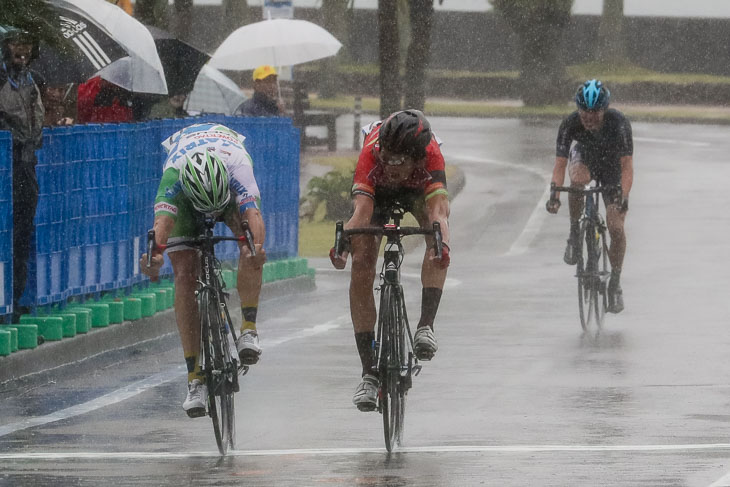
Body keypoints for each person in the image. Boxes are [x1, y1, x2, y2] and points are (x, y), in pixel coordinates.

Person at [140, 123, 267, 418]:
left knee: (251, 249)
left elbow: (253, 214)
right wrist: (154, 258)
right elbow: (161, 227)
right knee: (184, 274)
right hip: (187, 203)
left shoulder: (238, 166)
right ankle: (194, 378)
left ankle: (249, 329)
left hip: (225, 192)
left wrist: (254, 249)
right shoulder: (173, 178)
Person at [329, 109, 451, 412]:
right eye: (387, 157)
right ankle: (369, 373)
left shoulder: (431, 155)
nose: (390, 164)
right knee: (362, 262)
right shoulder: (373, 152)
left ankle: (425, 325)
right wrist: (345, 242)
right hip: (378, 195)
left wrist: (442, 246)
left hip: (416, 191)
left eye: (398, 160)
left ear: (417, 157)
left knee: (435, 238)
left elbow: (439, 211)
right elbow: (362, 213)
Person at [546, 79, 633, 313]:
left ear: (604, 110)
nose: (588, 117)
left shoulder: (619, 123)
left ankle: (614, 283)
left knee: (616, 228)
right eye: (584, 111)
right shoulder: (569, 124)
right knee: (577, 182)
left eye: (594, 112)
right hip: (585, 158)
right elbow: (560, 165)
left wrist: (623, 196)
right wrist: (554, 193)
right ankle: (575, 233)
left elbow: (626, 166)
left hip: (612, 168)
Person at [0, 29, 44, 323]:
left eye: (27, 43)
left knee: (21, 234)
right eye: (17, 43)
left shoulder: (32, 80)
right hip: (6, 164)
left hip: (25, 166)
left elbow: (36, 121)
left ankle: (13, 300)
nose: (22, 49)